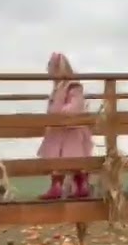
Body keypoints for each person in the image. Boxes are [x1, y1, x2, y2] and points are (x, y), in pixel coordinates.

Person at [37, 53, 94, 200]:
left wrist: (61, 113)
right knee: (55, 158)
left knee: (75, 158)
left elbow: (75, 105)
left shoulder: (73, 86)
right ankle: (56, 187)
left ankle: (82, 186)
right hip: (58, 129)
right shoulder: (58, 88)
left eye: (51, 69)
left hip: (71, 129)